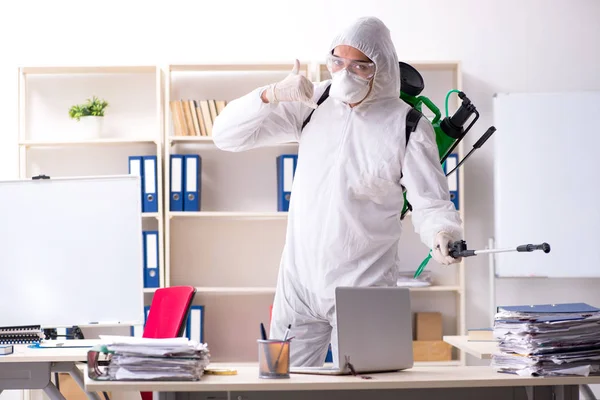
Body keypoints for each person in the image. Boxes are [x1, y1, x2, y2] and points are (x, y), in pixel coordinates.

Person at [212, 16, 463, 368]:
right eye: (337, 62)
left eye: (359, 65)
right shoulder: (313, 102)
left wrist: (443, 232)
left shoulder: (407, 125)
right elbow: (225, 136)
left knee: (366, 386)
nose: (344, 73)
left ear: (383, 68)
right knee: (282, 386)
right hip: (299, 283)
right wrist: (269, 95)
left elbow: (431, 202)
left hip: (364, 287)